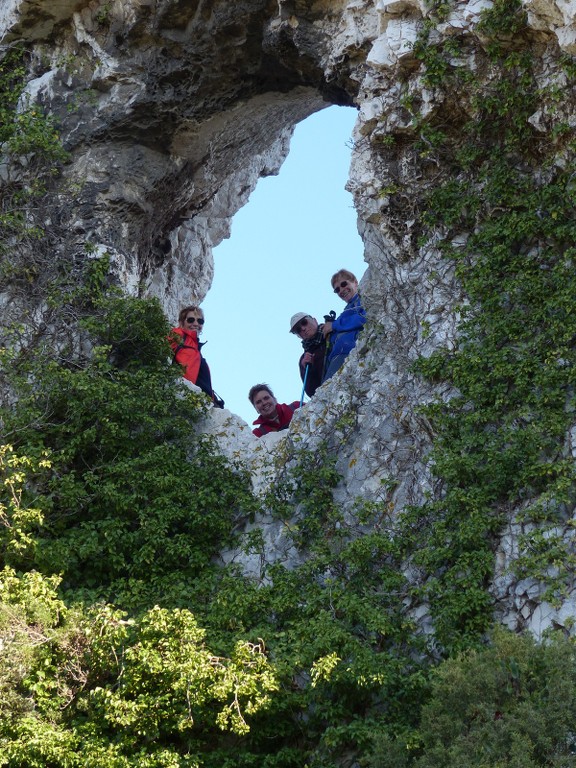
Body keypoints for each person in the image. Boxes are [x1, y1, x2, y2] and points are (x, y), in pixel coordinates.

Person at [168, 305, 224, 407]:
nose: (196, 323)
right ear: (181, 322)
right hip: (187, 395)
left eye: (200, 321)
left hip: (203, 399)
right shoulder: (178, 334)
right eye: (190, 320)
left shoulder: (195, 346)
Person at [321, 269, 366, 382]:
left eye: (344, 284)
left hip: (348, 353)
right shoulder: (346, 311)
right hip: (337, 357)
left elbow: (363, 317)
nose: (341, 290)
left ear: (355, 282)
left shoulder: (364, 298)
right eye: (337, 290)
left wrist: (334, 325)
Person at [289, 312, 327, 398]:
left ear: (314, 320)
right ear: (298, 336)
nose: (303, 328)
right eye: (298, 330)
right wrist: (308, 369)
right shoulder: (305, 358)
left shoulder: (332, 330)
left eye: (304, 322)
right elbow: (312, 392)